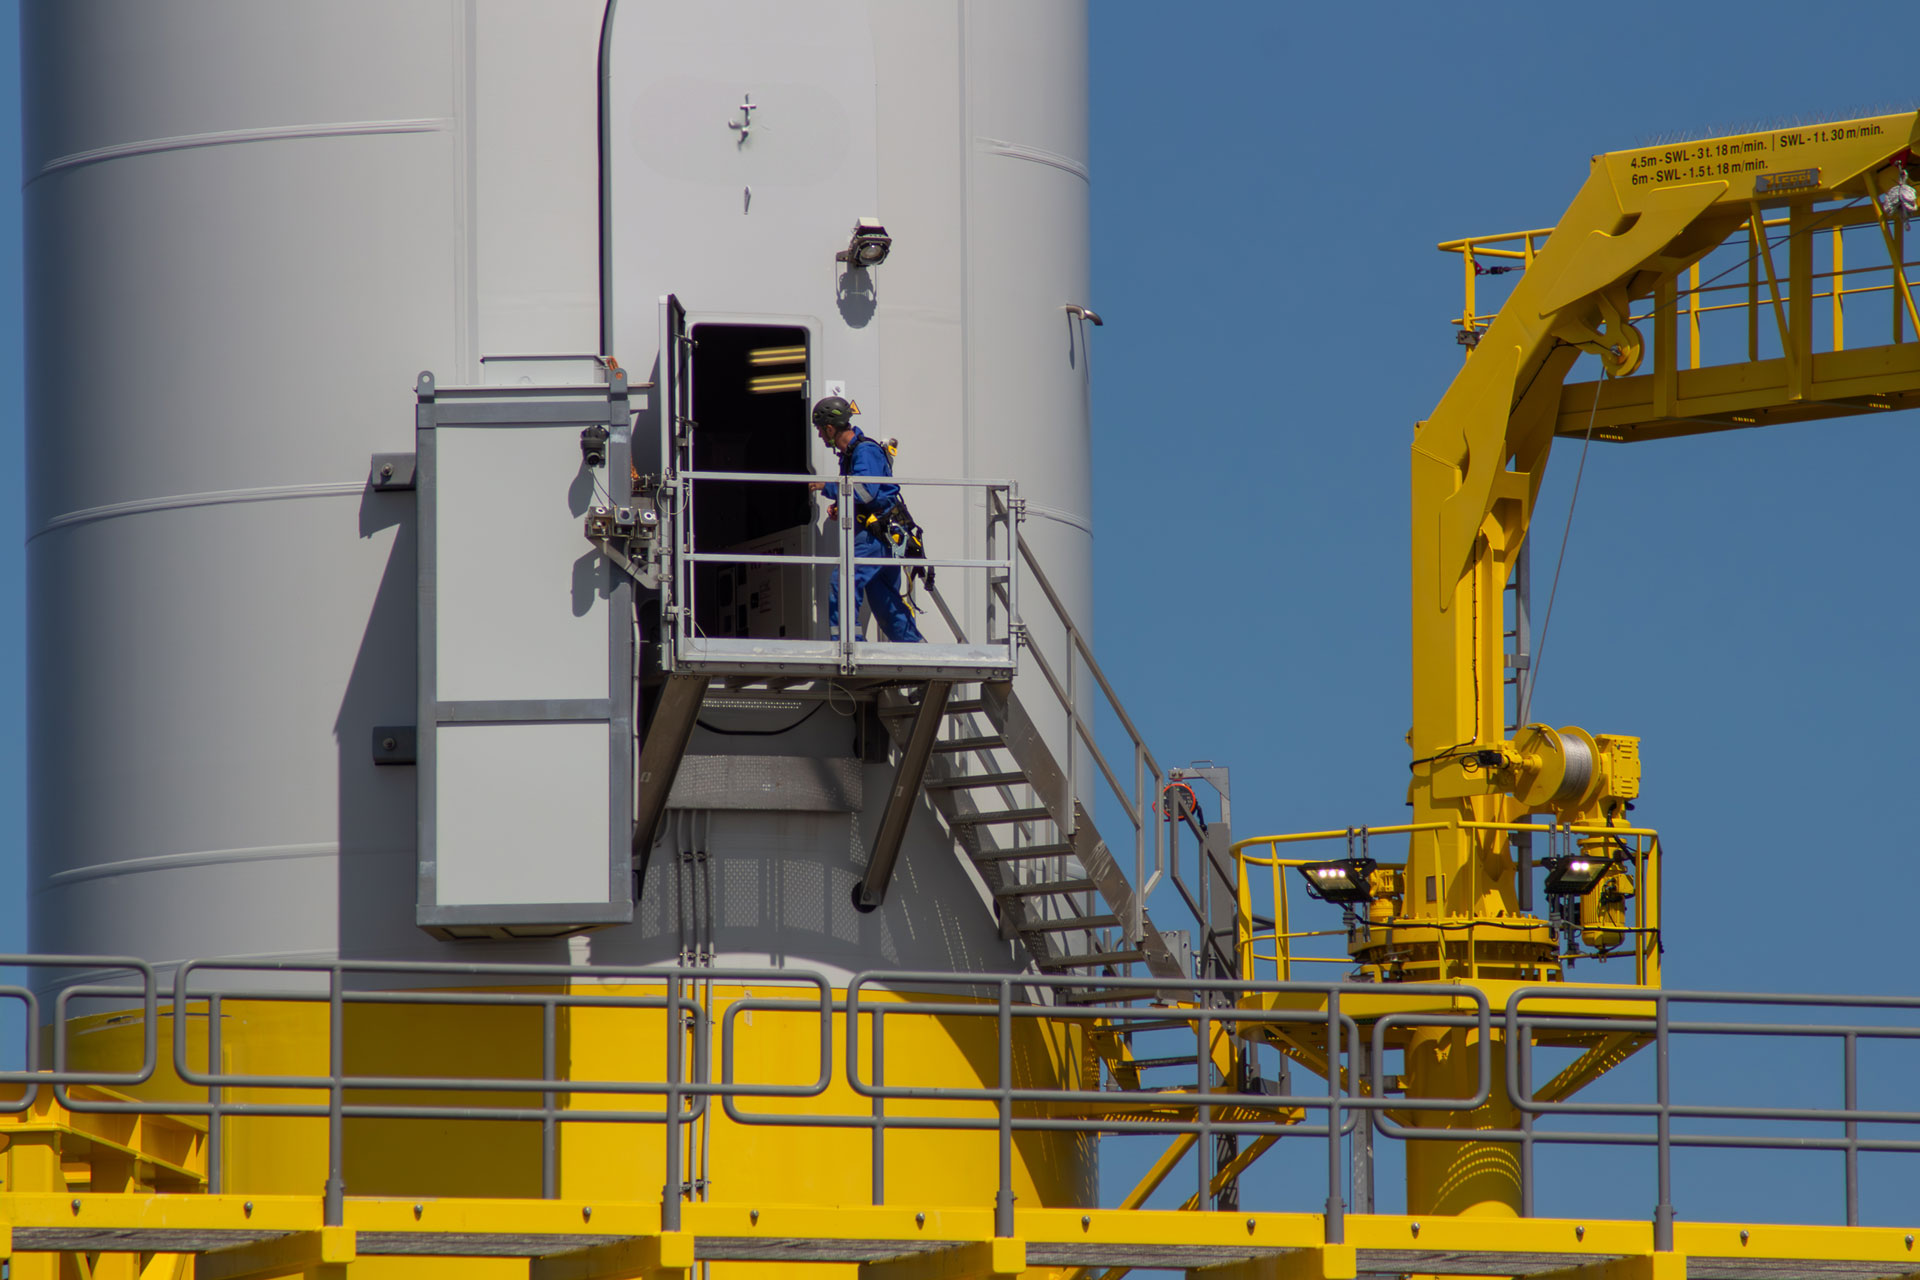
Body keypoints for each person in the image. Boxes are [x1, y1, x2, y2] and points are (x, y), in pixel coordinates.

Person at [806, 396, 925, 643]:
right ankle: (916, 651)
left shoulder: (865, 451)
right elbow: (864, 492)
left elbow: (865, 491)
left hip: (876, 536)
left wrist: (827, 487)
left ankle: (850, 649)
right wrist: (842, 504)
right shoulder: (853, 454)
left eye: (820, 430)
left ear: (829, 428)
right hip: (881, 534)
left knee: (843, 583)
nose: (819, 436)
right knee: (885, 601)